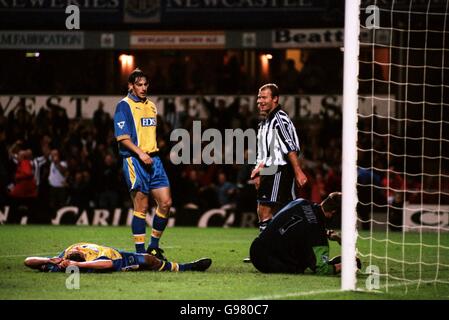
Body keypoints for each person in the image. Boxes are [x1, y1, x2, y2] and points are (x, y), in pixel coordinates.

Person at [113, 69, 172, 260]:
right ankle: (139, 253)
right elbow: (122, 138)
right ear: (130, 86)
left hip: (154, 159)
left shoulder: (152, 106)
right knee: (142, 206)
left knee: (165, 202)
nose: (143, 88)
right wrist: (140, 153)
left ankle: (153, 247)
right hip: (135, 160)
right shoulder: (123, 106)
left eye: (146, 84)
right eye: (139, 84)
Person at [249, 192, 361, 275]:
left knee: (302, 248)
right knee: (302, 266)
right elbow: (322, 270)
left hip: (255, 249)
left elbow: (300, 226)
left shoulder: (301, 201)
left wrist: (331, 235)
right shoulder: (317, 234)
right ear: (333, 213)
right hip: (267, 262)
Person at [251, 83, 308, 233]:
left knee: (267, 211)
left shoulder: (279, 119)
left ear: (275, 99)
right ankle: (271, 249)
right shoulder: (264, 122)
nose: (260, 101)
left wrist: (298, 171)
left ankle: (268, 250)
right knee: (270, 212)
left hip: (279, 170)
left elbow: (290, 147)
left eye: (264, 97)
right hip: (269, 170)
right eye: (258, 97)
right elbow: (263, 151)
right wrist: (258, 170)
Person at [24, 242, 212, 273]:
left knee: (149, 260)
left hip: (118, 257)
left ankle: (186, 267)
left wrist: (75, 264)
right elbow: (28, 261)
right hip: (114, 260)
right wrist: (48, 260)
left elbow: (106, 263)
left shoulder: (96, 255)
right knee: (147, 261)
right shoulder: (64, 256)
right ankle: (190, 267)